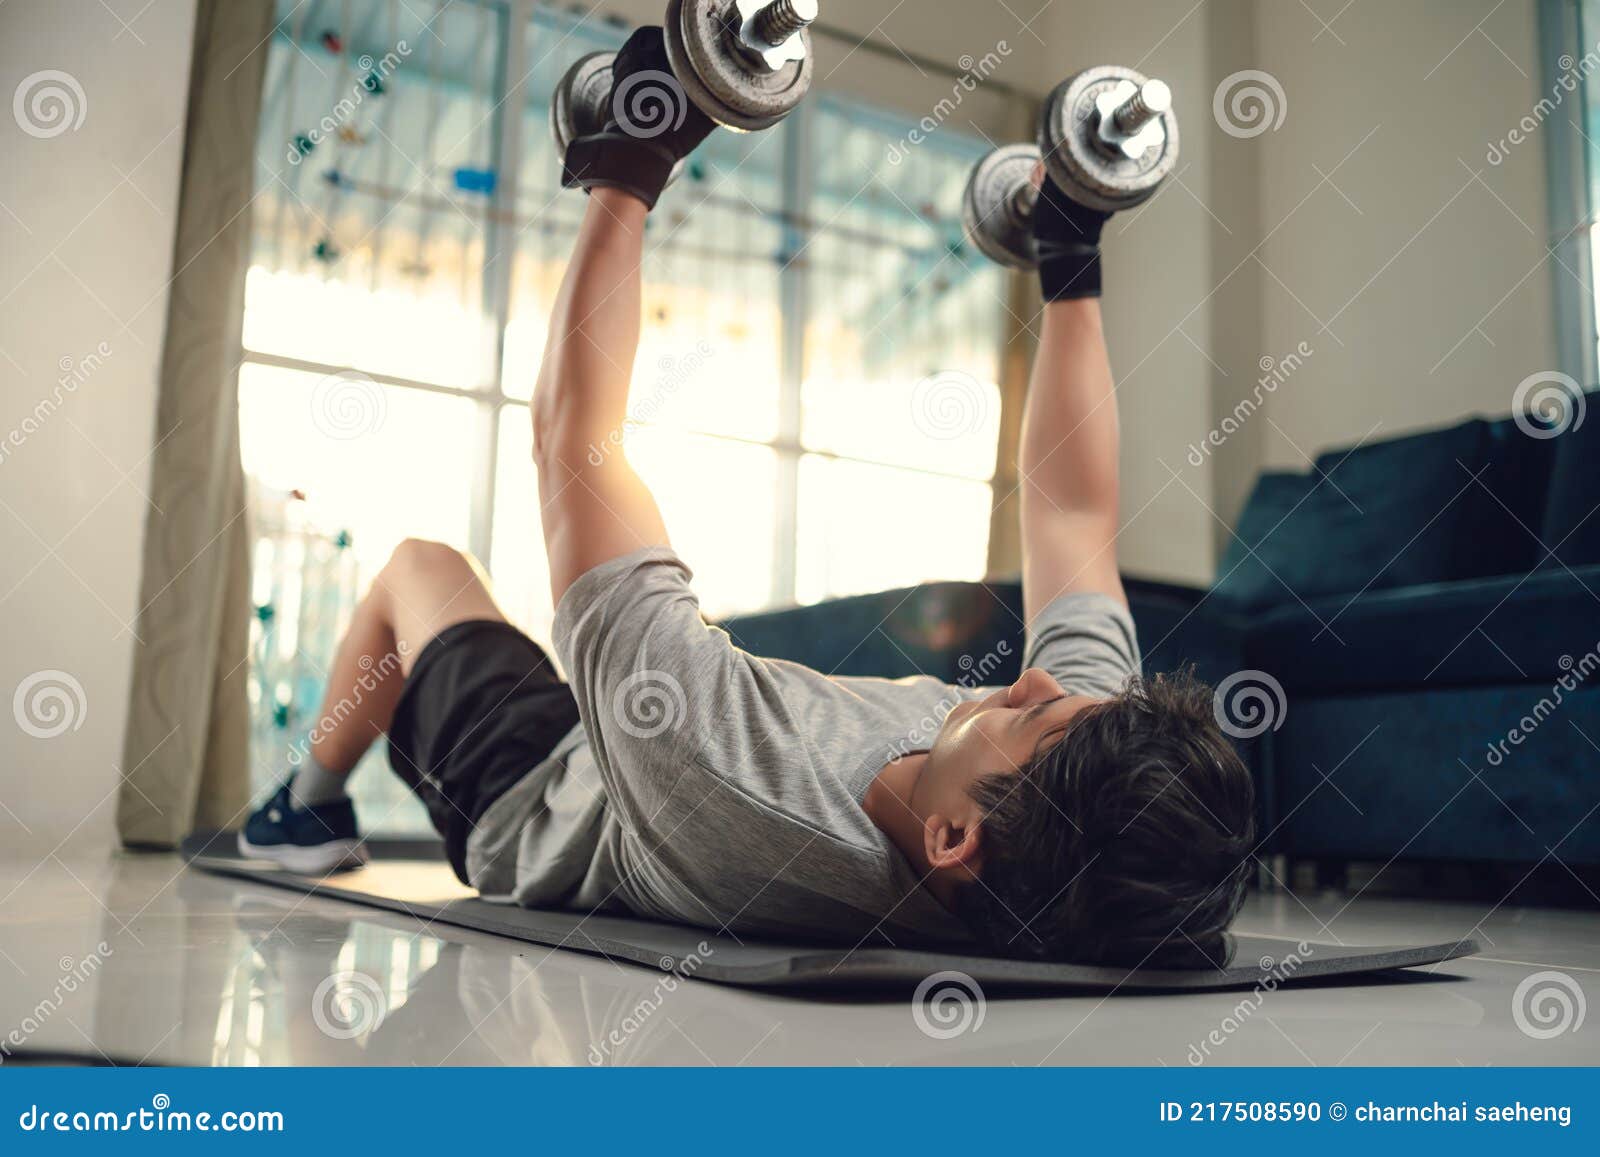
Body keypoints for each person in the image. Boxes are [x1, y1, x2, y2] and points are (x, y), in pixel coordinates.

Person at [241, 28, 1255, 968]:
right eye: (1064, 695)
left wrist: (628, 166)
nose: (1029, 685)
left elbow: (576, 445)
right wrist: (1069, 250)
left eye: (1029, 721)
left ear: (953, 839)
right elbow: (1070, 514)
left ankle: (302, 812)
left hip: (540, 789)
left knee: (420, 568)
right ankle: (312, 804)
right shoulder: (1054, 784)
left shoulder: (731, 773)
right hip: (630, 749)